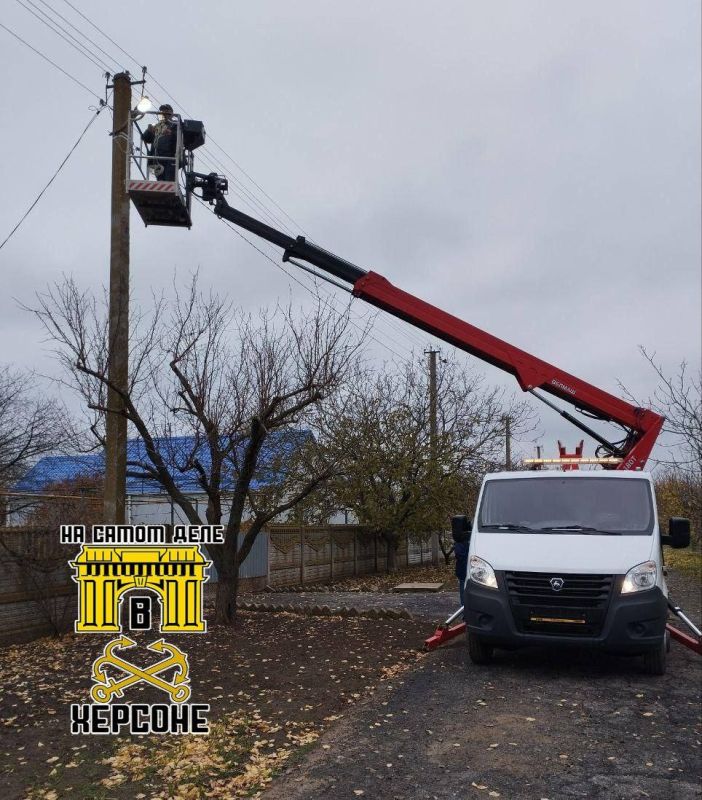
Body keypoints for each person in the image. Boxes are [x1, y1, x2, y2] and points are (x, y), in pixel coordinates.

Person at [142, 104, 178, 181]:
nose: (164, 113)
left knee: (168, 180)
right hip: (157, 159)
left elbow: (181, 138)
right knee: (160, 180)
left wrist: (171, 133)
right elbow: (145, 138)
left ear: (171, 113)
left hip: (170, 158)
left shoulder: (176, 125)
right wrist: (149, 131)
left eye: (166, 111)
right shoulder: (157, 126)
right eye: (162, 111)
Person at [453, 527, 469, 610]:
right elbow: (459, 555)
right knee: (463, 587)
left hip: (463, 568)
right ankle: (464, 609)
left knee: (463, 588)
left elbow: (459, 554)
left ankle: (464, 608)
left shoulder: (460, 541)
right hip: (464, 569)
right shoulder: (463, 540)